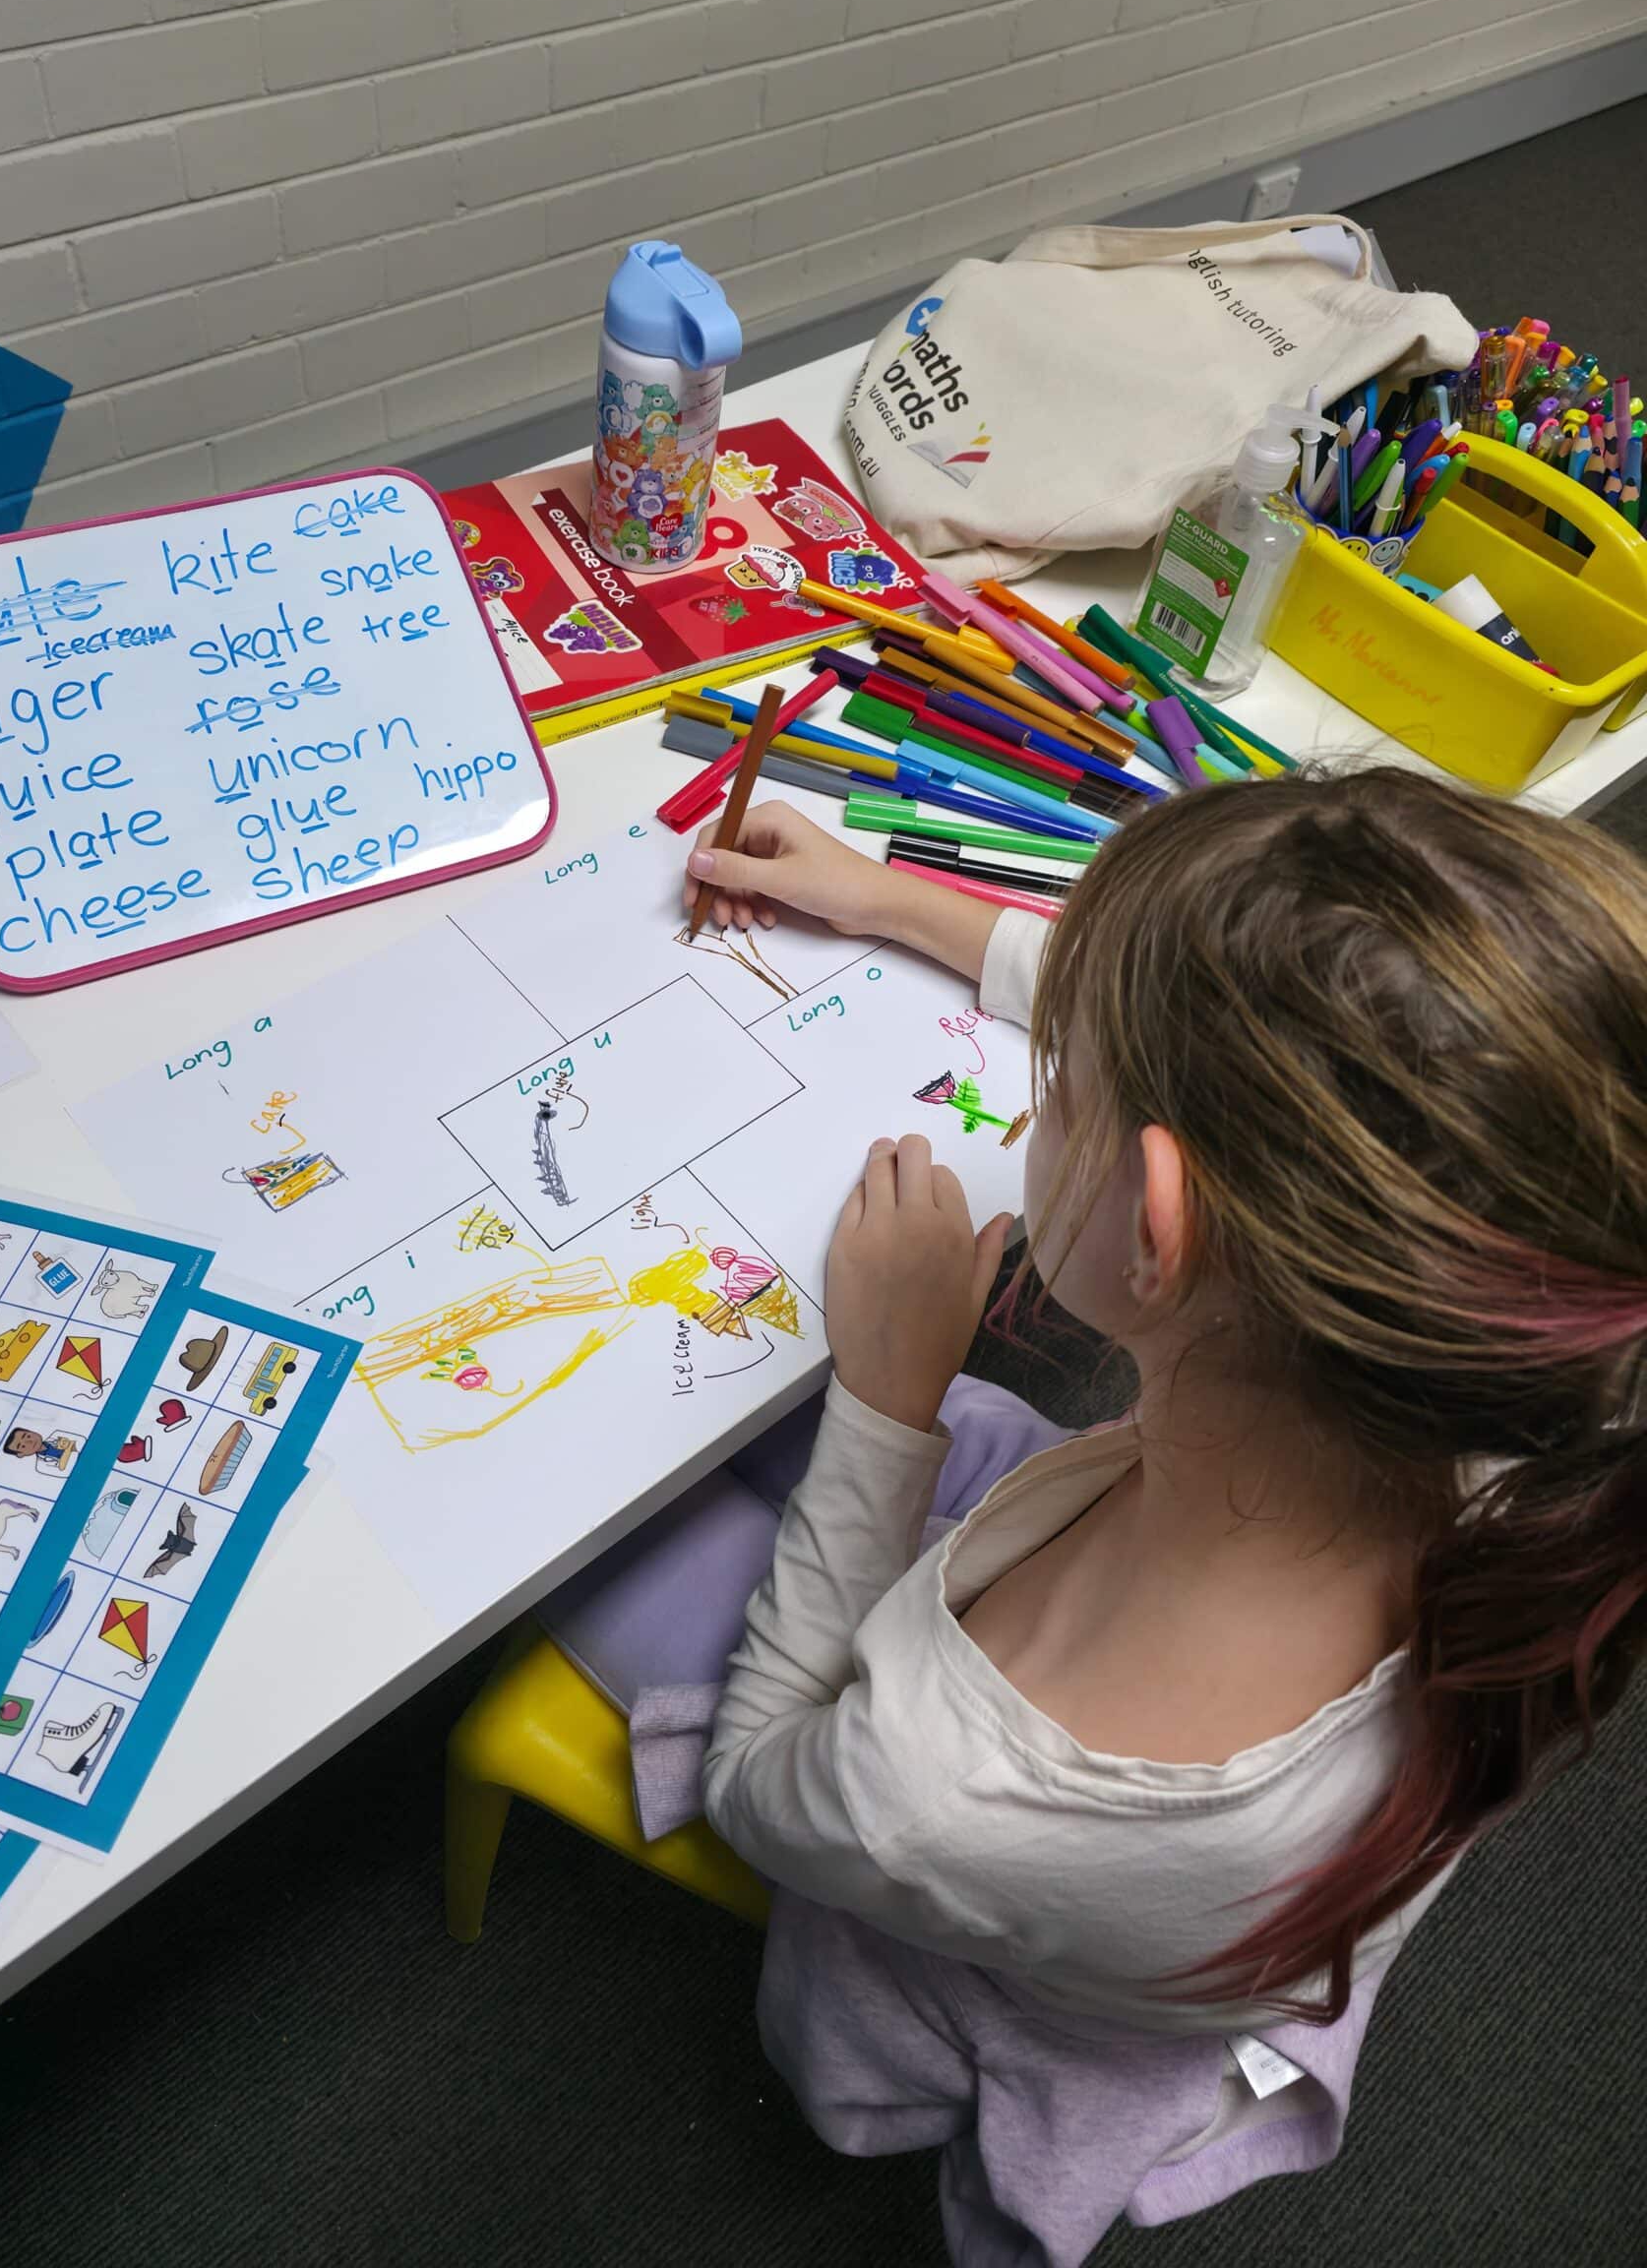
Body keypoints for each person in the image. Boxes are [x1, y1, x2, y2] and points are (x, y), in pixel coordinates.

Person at [550, 771, 1647, 2267]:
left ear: (1153, 1223)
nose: (1041, 1089)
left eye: (1055, 1080)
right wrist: (879, 898)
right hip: (1101, 1595)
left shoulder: (945, 1781)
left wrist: (885, 1399)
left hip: (963, 1811)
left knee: (587, 1532)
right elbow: (1180, 1030)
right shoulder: (1512, 1387)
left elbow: (761, 1783)